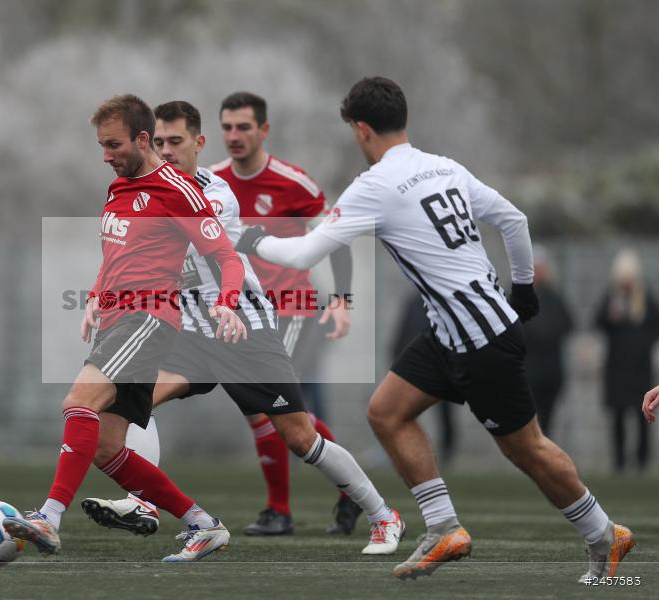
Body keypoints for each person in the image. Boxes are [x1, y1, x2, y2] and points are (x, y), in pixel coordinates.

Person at [236, 77, 635, 582]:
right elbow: (514, 220)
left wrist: (248, 238)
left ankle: (604, 533)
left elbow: (301, 254)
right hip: (453, 331)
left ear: (361, 130)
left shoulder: (376, 184)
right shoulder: (444, 166)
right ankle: (444, 527)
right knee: (386, 412)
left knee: (526, 449)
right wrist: (523, 288)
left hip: (479, 339)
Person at [81, 101, 400, 554]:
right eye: (161, 141)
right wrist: (101, 294)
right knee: (137, 402)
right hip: (192, 332)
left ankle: (383, 515)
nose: (167, 150)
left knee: (299, 436)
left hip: (243, 328)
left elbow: (180, 248)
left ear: (198, 144)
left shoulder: (214, 194)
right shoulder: (145, 191)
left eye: (176, 141)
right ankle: (145, 504)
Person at [3, 94, 246, 562]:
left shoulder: (177, 189)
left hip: (148, 318)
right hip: (117, 321)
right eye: (101, 145)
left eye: (113, 145)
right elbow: (118, 252)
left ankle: (48, 518)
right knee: (107, 447)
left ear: (142, 139)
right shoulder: (118, 187)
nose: (105, 155)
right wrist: (96, 296)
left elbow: (226, 257)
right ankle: (203, 525)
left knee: (78, 402)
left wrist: (227, 304)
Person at [211, 91, 359, 535]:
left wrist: (343, 299)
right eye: (227, 127)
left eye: (243, 127)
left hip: (290, 307)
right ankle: (348, 491)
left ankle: (280, 510)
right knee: (268, 409)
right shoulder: (212, 183)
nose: (234, 136)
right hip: (244, 312)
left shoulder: (293, 183)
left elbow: (337, 237)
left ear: (263, 130)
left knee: (273, 405)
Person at [594, 249, 659, 471]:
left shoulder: (646, 299)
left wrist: (643, 345)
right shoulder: (612, 298)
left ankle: (641, 461)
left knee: (643, 415)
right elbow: (598, 322)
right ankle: (619, 461)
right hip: (617, 369)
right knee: (618, 415)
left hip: (640, 369)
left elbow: (654, 327)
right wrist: (611, 315)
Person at [391, 294, 458, 466]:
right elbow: (403, 333)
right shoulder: (414, 303)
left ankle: (447, 451)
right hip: (414, 369)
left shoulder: (445, 303)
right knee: (404, 413)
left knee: (444, 413)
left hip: (441, 369)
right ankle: (409, 452)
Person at [524, 245, 574, 437]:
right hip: (528, 371)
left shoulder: (554, 297)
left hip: (551, 371)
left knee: (547, 421)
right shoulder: (520, 297)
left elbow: (567, 323)